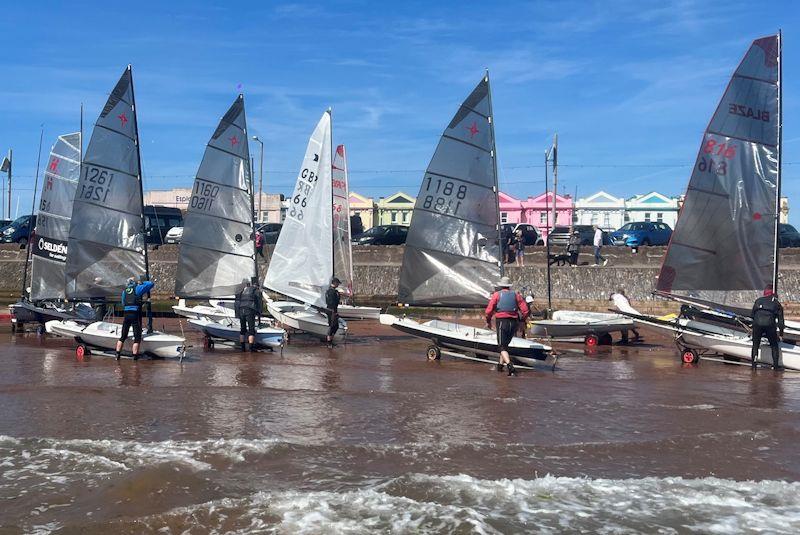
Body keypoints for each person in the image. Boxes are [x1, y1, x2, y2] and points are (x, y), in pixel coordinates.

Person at [485, 276, 529, 376]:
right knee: (505, 346)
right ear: (509, 286)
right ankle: (500, 366)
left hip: (502, 321)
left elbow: (488, 311)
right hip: (514, 322)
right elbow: (525, 310)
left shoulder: (497, 295)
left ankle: (510, 366)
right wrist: (522, 320)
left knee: (501, 346)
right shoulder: (516, 295)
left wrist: (488, 321)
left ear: (501, 286)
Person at [115, 275, 154, 361]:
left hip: (126, 314)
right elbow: (151, 284)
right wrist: (142, 283)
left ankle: (117, 355)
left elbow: (123, 303)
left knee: (123, 336)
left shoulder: (124, 291)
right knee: (137, 337)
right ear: (134, 283)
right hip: (135, 314)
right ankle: (135, 357)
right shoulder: (137, 288)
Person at [751, 288, 784, 369]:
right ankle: (775, 366)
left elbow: (752, 315)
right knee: (774, 345)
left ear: (764, 293)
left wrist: (753, 326)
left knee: (755, 345)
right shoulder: (777, 303)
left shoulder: (758, 300)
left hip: (757, 325)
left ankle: (754, 365)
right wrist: (781, 334)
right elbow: (781, 321)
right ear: (773, 294)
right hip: (770, 325)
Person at [235, 277, 261, 351]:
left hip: (241, 310)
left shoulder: (242, 290)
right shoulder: (255, 290)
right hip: (249, 310)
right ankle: (251, 349)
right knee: (251, 330)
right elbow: (259, 302)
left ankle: (243, 348)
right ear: (256, 285)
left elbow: (237, 302)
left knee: (242, 330)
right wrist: (259, 313)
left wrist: (237, 314)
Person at [325, 277, 342, 347]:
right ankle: (329, 343)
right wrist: (334, 312)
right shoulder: (331, 292)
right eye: (337, 283)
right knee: (332, 326)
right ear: (334, 283)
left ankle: (330, 341)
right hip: (331, 311)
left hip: (332, 310)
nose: (338, 285)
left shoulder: (332, 291)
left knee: (336, 326)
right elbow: (331, 303)